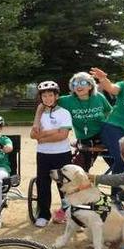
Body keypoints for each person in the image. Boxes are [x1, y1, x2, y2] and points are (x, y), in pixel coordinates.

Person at [43, 72, 113, 171]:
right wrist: (37, 120)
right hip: (85, 138)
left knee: (117, 163)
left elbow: (109, 111)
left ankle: (119, 182)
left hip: (104, 135)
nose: (78, 86)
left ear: (90, 86)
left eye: (83, 83)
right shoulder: (66, 101)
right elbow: (46, 103)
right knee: (80, 169)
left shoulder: (99, 97)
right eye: (75, 84)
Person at [30, 81, 73, 227]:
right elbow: (32, 135)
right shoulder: (40, 114)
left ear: (56, 96)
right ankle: (44, 214)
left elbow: (63, 135)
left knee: (64, 185)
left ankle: (68, 213)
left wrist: (42, 136)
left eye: (50, 95)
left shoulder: (64, 112)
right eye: (44, 96)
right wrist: (53, 131)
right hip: (43, 154)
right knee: (43, 184)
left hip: (62, 153)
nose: (47, 98)